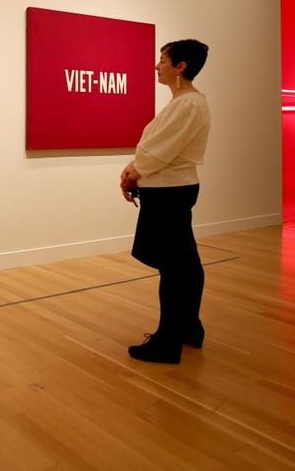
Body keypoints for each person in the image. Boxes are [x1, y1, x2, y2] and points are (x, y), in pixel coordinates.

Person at [120, 39, 211, 364]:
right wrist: (136, 169)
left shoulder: (188, 105)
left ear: (180, 66)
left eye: (162, 60)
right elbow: (158, 149)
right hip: (172, 189)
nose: (157, 66)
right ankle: (187, 328)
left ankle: (167, 341)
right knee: (184, 262)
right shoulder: (185, 103)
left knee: (174, 267)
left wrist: (133, 172)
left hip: (169, 192)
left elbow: (161, 150)